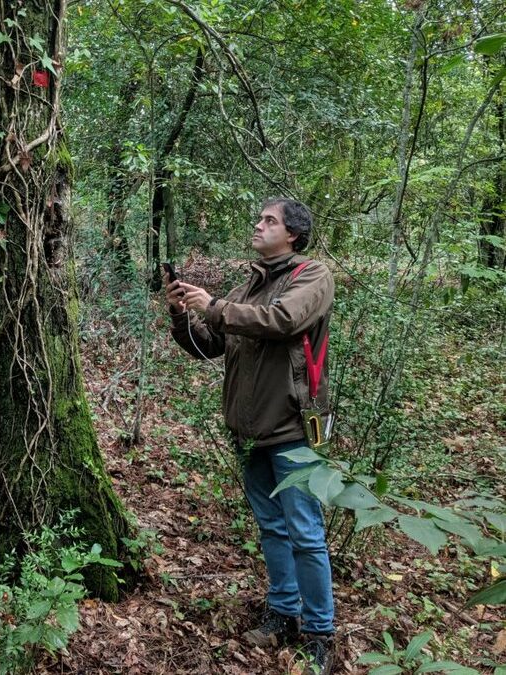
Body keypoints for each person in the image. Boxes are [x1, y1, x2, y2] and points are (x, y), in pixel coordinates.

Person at [164, 198, 335, 674]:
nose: (258, 226)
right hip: (249, 430)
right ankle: (283, 613)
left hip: (293, 428)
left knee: (305, 532)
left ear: (293, 234)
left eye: (269, 221)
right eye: (260, 219)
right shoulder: (250, 283)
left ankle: (320, 633)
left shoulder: (312, 276)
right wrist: (183, 314)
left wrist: (216, 306)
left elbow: (283, 321)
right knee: (272, 526)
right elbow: (212, 345)